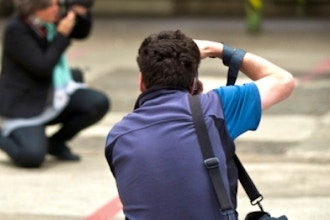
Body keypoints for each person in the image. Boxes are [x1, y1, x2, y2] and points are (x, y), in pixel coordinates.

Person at [105, 30, 295, 219]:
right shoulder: (217, 108)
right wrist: (219, 50)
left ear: (141, 82)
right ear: (194, 83)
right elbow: (283, 81)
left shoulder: (118, 136)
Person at [0, 0, 110, 168]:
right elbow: (41, 66)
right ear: (33, 9)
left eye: (57, 4)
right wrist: (61, 36)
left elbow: (81, 32)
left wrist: (80, 11)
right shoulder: (17, 29)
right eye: (50, 6)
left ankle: (56, 143)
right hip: (25, 105)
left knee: (98, 103)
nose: (56, 9)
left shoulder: (51, 20)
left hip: (54, 94)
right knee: (32, 157)